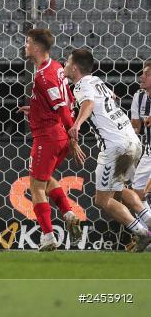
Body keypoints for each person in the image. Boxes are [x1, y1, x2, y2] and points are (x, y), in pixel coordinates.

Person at [65, 48, 151, 251]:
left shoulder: (81, 86)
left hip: (115, 147)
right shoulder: (96, 81)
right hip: (132, 140)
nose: (65, 65)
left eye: (68, 62)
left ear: (75, 68)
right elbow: (112, 98)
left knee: (102, 200)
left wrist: (77, 124)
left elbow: (88, 103)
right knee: (121, 190)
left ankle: (143, 234)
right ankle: (148, 221)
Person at [16, 29, 85, 251]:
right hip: (55, 134)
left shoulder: (43, 76)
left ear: (36, 48)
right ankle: (69, 213)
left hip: (48, 136)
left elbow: (63, 108)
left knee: (35, 186)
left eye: (27, 43)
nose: (25, 47)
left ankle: (48, 237)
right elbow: (69, 100)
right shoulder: (56, 68)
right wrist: (35, 109)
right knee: (45, 180)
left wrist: (73, 136)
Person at [129, 60, 151, 209]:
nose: (141, 77)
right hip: (149, 150)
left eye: (147, 74)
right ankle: (146, 229)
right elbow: (136, 127)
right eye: (142, 73)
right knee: (137, 191)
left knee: (148, 188)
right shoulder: (139, 96)